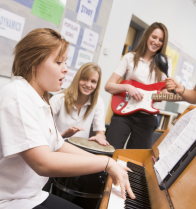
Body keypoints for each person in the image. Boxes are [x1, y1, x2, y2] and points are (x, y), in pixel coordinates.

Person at [0, 28, 135, 209]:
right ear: (34, 63)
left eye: (65, 62)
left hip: (30, 195)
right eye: (58, 62)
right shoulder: (17, 95)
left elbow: (58, 145)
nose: (65, 69)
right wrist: (105, 163)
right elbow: (43, 162)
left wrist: (108, 162)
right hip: (8, 200)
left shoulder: (41, 98)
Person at [105, 22, 172, 149]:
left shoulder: (166, 62)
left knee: (133, 161)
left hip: (148, 118)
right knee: (110, 151)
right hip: (124, 113)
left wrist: (172, 91)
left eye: (161, 40)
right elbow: (108, 86)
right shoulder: (130, 57)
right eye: (154, 37)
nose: (156, 42)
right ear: (147, 36)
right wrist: (127, 87)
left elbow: (164, 93)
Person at [50, 62, 109, 146]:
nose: (88, 85)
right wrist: (64, 133)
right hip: (57, 145)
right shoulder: (58, 99)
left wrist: (100, 136)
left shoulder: (98, 101)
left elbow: (100, 133)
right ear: (77, 79)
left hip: (80, 149)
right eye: (85, 79)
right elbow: (43, 131)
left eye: (93, 81)